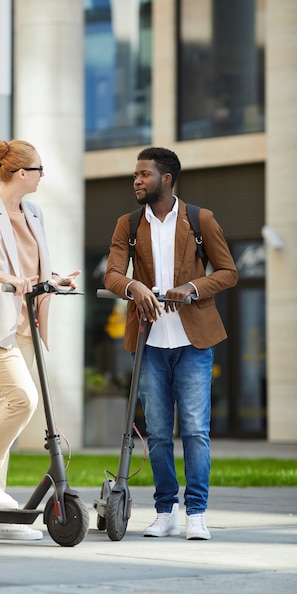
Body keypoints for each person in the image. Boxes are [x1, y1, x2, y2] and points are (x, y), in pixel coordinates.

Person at [104, 146, 238, 540]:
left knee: (196, 430)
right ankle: (166, 510)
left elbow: (228, 272)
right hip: (149, 344)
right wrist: (133, 286)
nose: (137, 181)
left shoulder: (201, 219)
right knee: (159, 433)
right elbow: (112, 273)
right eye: (135, 175)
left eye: (144, 174)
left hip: (195, 343)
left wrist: (193, 288)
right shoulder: (127, 225)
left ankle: (197, 512)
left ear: (166, 178)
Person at [0, 138, 80, 541]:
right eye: (39, 169)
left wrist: (52, 281)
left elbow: (31, 267)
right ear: (21, 173)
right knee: (24, 399)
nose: (43, 175)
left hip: (27, 324)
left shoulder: (34, 211)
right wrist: (8, 280)